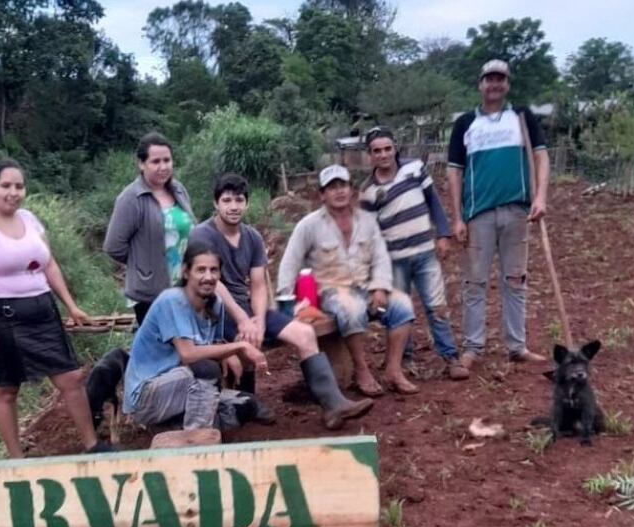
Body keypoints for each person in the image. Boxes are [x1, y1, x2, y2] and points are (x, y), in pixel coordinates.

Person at [0, 159, 114, 458]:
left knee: (70, 379)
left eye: (19, 186)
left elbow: (48, 264)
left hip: (41, 310)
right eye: (6, 186)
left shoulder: (30, 220)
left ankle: (92, 446)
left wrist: (71, 306)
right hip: (0, 316)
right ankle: (17, 460)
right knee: (7, 388)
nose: (13, 192)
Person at [189, 174, 375, 430]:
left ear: (246, 203)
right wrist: (245, 320)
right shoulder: (202, 234)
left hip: (246, 306)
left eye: (239, 200)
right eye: (227, 200)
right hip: (215, 310)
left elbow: (257, 283)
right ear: (216, 203)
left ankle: (333, 405)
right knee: (245, 342)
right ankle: (248, 404)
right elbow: (214, 284)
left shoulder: (251, 237)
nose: (233, 206)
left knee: (305, 333)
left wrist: (260, 320)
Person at [277, 165, 419, 396]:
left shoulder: (367, 221)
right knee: (352, 308)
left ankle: (393, 371)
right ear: (322, 194)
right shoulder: (309, 225)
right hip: (331, 291)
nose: (339, 191)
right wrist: (288, 302)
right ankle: (361, 371)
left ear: (351, 190)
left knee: (402, 305)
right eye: (332, 188)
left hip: (365, 288)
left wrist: (380, 287)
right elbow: (289, 263)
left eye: (342, 185)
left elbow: (381, 257)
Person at [447, 59, 550, 370]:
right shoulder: (465, 123)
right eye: (489, 79)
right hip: (478, 214)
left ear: (507, 84)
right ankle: (473, 347)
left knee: (515, 279)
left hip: (518, 211)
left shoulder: (521, 118)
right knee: (474, 282)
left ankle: (517, 346)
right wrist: (457, 216)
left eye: (500, 79)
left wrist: (541, 197)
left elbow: (541, 158)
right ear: (480, 85)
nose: (494, 84)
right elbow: (454, 173)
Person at [360, 126, 469, 381]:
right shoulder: (367, 191)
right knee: (400, 310)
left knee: (436, 305)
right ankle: (404, 360)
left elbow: (433, 203)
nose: (383, 154)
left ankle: (450, 357)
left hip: (424, 253)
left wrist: (443, 234)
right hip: (394, 260)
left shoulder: (414, 169)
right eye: (377, 151)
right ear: (370, 156)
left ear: (395, 148)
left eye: (387, 148)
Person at [122, 241, 270, 429]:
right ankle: (197, 437)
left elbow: (213, 343)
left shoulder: (214, 303)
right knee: (207, 369)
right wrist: (239, 347)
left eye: (214, 270)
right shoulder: (173, 300)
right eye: (201, 270)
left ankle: (176, 425)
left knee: (246, 403)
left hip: (181, 385)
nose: (208, 277)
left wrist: (230, 353)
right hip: (147, 395)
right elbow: (188, 354)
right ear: (186, 272)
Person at [103, 132, 196, 326]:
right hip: (150, 292)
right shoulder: (131, 198)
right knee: (162, 348)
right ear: (141, 163)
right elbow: (113, 246)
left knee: (187, 345)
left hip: (185, 285)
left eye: (167, 160)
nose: (163, 167)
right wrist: (143, 264)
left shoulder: (178, 190)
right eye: (155, 162)